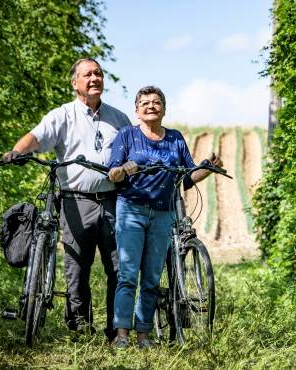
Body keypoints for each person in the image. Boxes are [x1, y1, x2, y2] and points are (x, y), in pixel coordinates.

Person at [1, 58, 130, 340]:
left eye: (98, 73)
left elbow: (134, 154)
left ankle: (117, 332)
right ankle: (80, 330)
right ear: (75, 83)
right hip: (76, 201)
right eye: (88, 75)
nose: (94, 78)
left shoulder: (119, 119)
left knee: (119, 268)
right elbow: (37, 137)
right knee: (76, 267)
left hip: (113, 201)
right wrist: (17, 151)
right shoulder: (63, 115)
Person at [107, 86, 221, 348]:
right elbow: (112, 174)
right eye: (145, 103)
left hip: (163, 213)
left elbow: (188, 176)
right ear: (136, 110)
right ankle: (122, 335)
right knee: (127, 274)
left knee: (151, 277)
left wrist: (208, 168)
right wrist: (124, 169)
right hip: (131, 210)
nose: (151, 106)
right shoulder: (127, 136)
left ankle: (144, 334)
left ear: (164, 109)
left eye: (156, 102)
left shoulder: (175, 139)